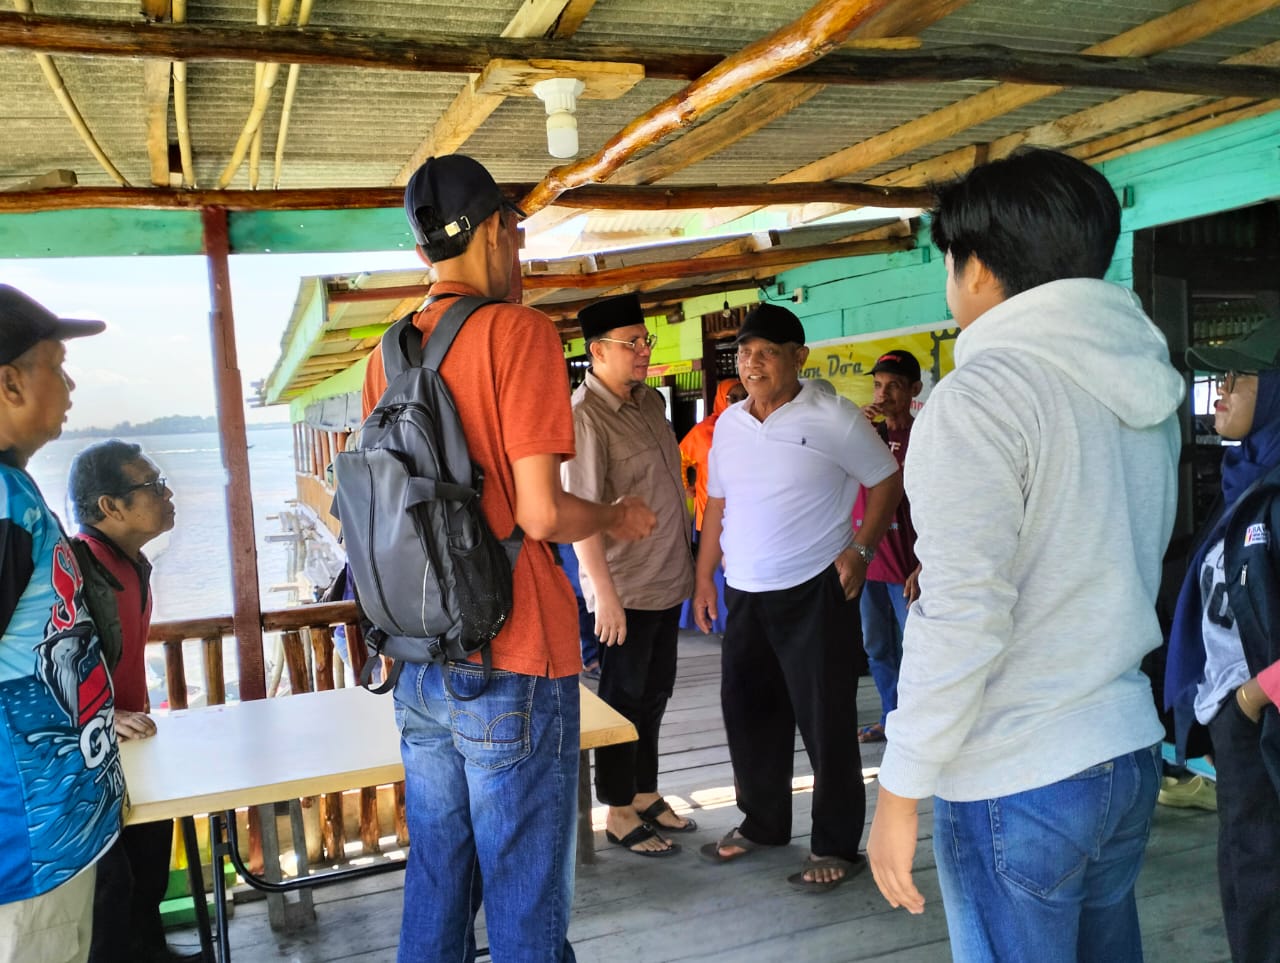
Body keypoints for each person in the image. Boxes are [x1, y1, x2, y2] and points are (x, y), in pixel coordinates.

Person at [866, 148, 1185, 961]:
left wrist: (901, 784)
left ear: (975, 267)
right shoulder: (1144, 385)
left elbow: (962, 609)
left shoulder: (980, 395)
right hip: (1124, 745)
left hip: (1018, 768)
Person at [360, 154, 656, 963]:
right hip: (514, 654)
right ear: (495, 229)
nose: (517, 253)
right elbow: (541, 512)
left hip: (419, 660)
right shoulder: (518, 333)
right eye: (515, 235)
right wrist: (615, 515)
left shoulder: (385, 355)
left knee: (438, 880)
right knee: (526, 899)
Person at [692, 302, 902, 892]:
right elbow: (717, 504)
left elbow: (886, 480)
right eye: (745, 353)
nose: (752, 364)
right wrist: (704, 576)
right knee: (749, 711)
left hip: (816, 589)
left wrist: (860, 550)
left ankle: (835, 844)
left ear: (798, 357)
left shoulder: (834, 417)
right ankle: (763, 823)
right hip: (745, 590)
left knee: (825, 719)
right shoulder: (729, 424)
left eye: (767, 352)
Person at [0, 285, 124, 963]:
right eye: (57, 364)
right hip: (23, 849)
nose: (70, 384)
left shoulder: (13, 489)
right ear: (10, 382)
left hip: (51, 833)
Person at [562, 293, 696, 857]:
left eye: (646, 341)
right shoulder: (584, 418)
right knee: (622, 700)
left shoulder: (650, 403)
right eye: (632, 343)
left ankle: (644, 791)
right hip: (626, 586)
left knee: (655, 693)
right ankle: (617, 809)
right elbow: (580, 513)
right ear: (598, 352)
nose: (644, 351)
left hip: (665, 577)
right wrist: (604, 595)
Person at [1165, 325, 1280, 963]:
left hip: (1261, 719)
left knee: (1265, 895)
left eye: (1238, 378)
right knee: (1248, 883)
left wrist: (1250, 698)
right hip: (1239, 724)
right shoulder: (1247, 476)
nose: (1220, 392)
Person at [67, 441, 196, 963]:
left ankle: (153, 953)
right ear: (110, 507)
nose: (168, 494)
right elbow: (36, 665)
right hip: (87, 759)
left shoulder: (128, 561)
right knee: (111, 896)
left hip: (133, 746)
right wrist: (99, 714)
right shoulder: (74, 569)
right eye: (152, 485)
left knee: (147, 873)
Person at [852, 349, 922, 744]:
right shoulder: (863, 435)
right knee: (877, 648)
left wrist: (926, 563)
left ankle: (918, 726)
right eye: (878, 385)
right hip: (869, 563)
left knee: (917, 649)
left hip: (910, 567)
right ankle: (890, 718)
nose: (883, 394)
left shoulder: (925, 436)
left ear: (914, 389)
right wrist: (856, 433)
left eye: (894, 386)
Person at [679, 377, 745, 535]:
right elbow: (678, 457)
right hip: (710, 512)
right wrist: (685, 487)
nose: (740, 402)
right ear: (722, 400)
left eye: (745, 397)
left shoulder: (754, 427)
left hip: (744, 512)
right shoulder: (703, 432)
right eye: (733, 398)